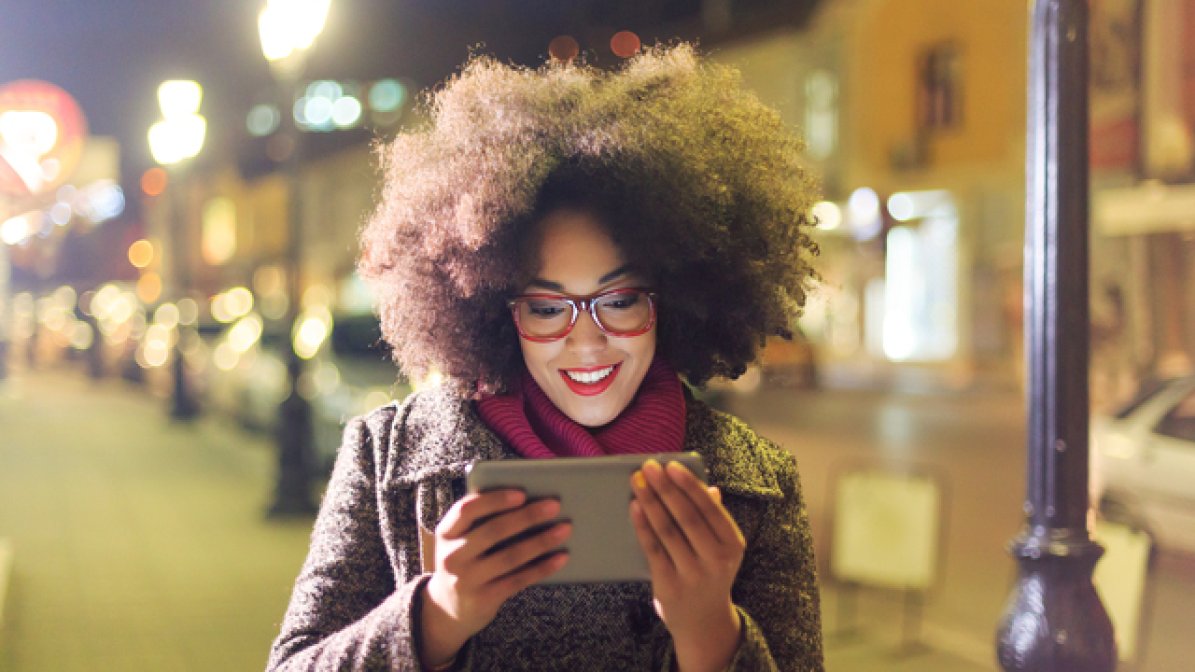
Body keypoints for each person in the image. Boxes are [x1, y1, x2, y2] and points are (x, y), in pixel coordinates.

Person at [267, 44, 824, 672]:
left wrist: (712, 635)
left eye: (619, 300)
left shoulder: (757, 485)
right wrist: (436, 615)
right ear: (494, 310)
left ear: (671, 299)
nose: (586, 342)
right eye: (545, 307)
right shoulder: (386, 459)